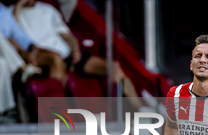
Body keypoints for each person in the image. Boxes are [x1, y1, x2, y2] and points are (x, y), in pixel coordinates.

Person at [12, 0, 142, 110]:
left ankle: (142, 111)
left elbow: (67, 35)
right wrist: (18, 6)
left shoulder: (48, 10)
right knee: (57, 62)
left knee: (113, 67)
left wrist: (75, 49)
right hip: (46, 58)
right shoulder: (11, 13)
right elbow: (13, 32)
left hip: (67, 55)